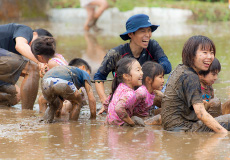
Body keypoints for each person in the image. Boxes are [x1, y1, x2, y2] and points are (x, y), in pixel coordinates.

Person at [94, 14, 172, 114]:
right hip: (124, 98)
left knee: (167, 107)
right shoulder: (116, 53)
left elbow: (167, 66)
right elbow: (99, 78)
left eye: (149, 30)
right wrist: (104, 101)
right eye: (142, 31)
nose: (147, 34)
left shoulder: (153, 46)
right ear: (131, 34)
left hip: (147, 95)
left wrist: (147, 71)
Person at [161, 35, 229, 133]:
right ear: (191, 55)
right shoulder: (191, 76)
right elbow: (200, 114)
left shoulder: (181, 69)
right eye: (204, 52)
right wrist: (224, 133)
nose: (209, 57)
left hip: (172, 126)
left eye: (212, 53)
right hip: (184, 128)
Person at [0, 23, 52, 109]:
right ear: (35, 34)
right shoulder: (26, 30)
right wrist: (39, 62)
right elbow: (20, 45)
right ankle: (27, 113)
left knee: (16, 96)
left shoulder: (16, 55)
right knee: (32, 68)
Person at [31, 36, 68, 113]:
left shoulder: (52, 63)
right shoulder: (58, 56)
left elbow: (55, 83)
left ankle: (44, 120)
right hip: (69, 88)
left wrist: (44, 76)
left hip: (66, 93)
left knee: (41, 100)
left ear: (39, 57)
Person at [105, 57, 145, 126]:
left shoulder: (120, 87)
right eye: (138, 70)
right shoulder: (130, 93)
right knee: (137, 121)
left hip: (110, 125)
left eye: (141, 69)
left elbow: (107, 102)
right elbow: (119, 108)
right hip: (120, 127)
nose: (142, 73)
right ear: (126, 76)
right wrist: (131, 123)